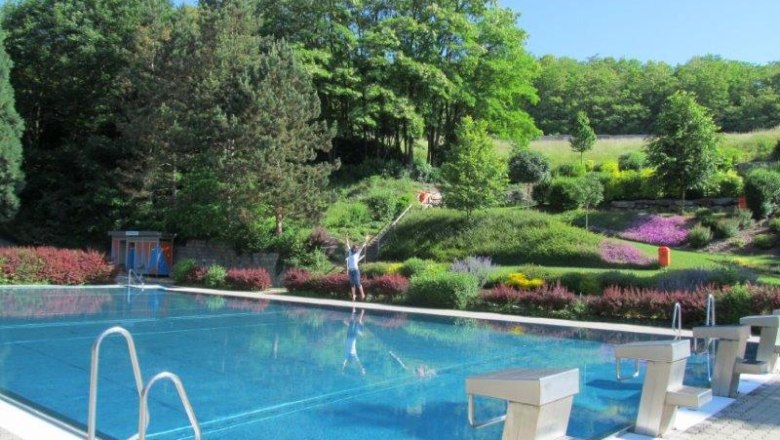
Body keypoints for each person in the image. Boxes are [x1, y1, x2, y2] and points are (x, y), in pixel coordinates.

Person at [345, 235, 369, 301]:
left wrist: (366, 240)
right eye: (354, 248)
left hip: (355, 271)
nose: (355, 249)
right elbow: (347, 244)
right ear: (353, 248)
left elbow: (362, 246)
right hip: (350, 270)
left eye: (356, 248)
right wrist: (346, 238)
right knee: (352, 284)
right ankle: (354, 296)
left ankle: (363, 295)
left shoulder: (358, 253)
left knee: (358, 283)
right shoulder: (350, 252)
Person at [342, 307, 366, 375]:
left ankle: (354, 309)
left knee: (352, 321)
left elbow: (344, 362)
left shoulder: (347, 355)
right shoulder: (355, 355)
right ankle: (362, 312)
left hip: (349, 335)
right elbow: (358, 363)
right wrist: (361, 369)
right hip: (353, 337)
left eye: (351, 360)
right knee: (357, 322)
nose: (352, 360)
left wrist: (342, 369)